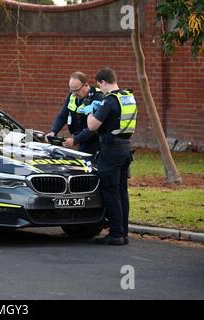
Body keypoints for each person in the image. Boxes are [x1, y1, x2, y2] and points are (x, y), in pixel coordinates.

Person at [82, 67, 137, 245]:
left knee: (110, 192)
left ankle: (116, 234)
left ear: (103, 82)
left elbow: (92, 126)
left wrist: (90, 112)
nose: (100, 90)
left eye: (100, 86)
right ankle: (124, 233)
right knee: (122, 192)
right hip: (126, 147)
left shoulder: (110, 101)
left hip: (111, 151)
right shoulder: (128, 97)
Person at [45, 71, 104, 155]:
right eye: (71, 90)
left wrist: (75, 140)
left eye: (77, 90)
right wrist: (53, 131)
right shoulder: (72, 96)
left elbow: (94, 127)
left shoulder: (98, 97)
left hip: (96, 142)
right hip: (81, 141)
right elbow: (62, 116)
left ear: (86, 85)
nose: (74, 94)